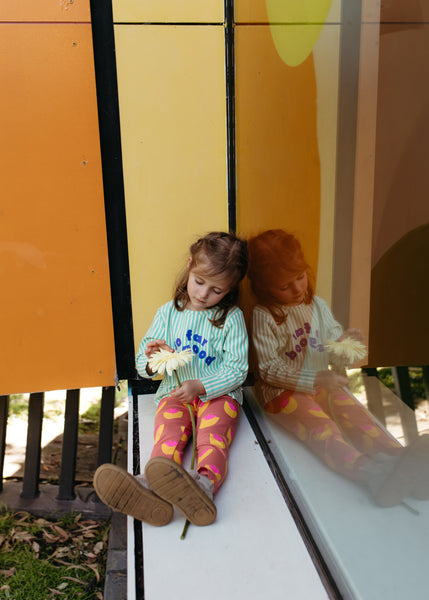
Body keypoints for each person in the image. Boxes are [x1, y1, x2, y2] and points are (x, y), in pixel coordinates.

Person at [247, 229, 429, 507]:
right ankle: (372, 475)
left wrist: (345, 346)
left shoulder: (317, 306)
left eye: (300, 277)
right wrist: (314, 378)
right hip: (282, 394)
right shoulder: (265, 316)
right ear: (263, 287)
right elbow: (269, 369)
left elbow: (333, 349)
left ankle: (403, 462)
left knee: (356, 415)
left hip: (323, 384)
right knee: (323, 429)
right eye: (285, 286)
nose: (297, 289)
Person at [94, 231, 248, 527]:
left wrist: (201, 386)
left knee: (212, 439)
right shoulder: (168, 313)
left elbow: (237, 369)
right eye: (199, 281)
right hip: (175, 395)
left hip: (219, 397)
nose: (203, 294)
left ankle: (203, 487)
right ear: (190, 266)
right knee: (168, 436)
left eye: (216, 290)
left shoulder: (231, 318)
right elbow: (142, 365)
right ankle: (151, 487)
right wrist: (152, 360)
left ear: (230, 289)